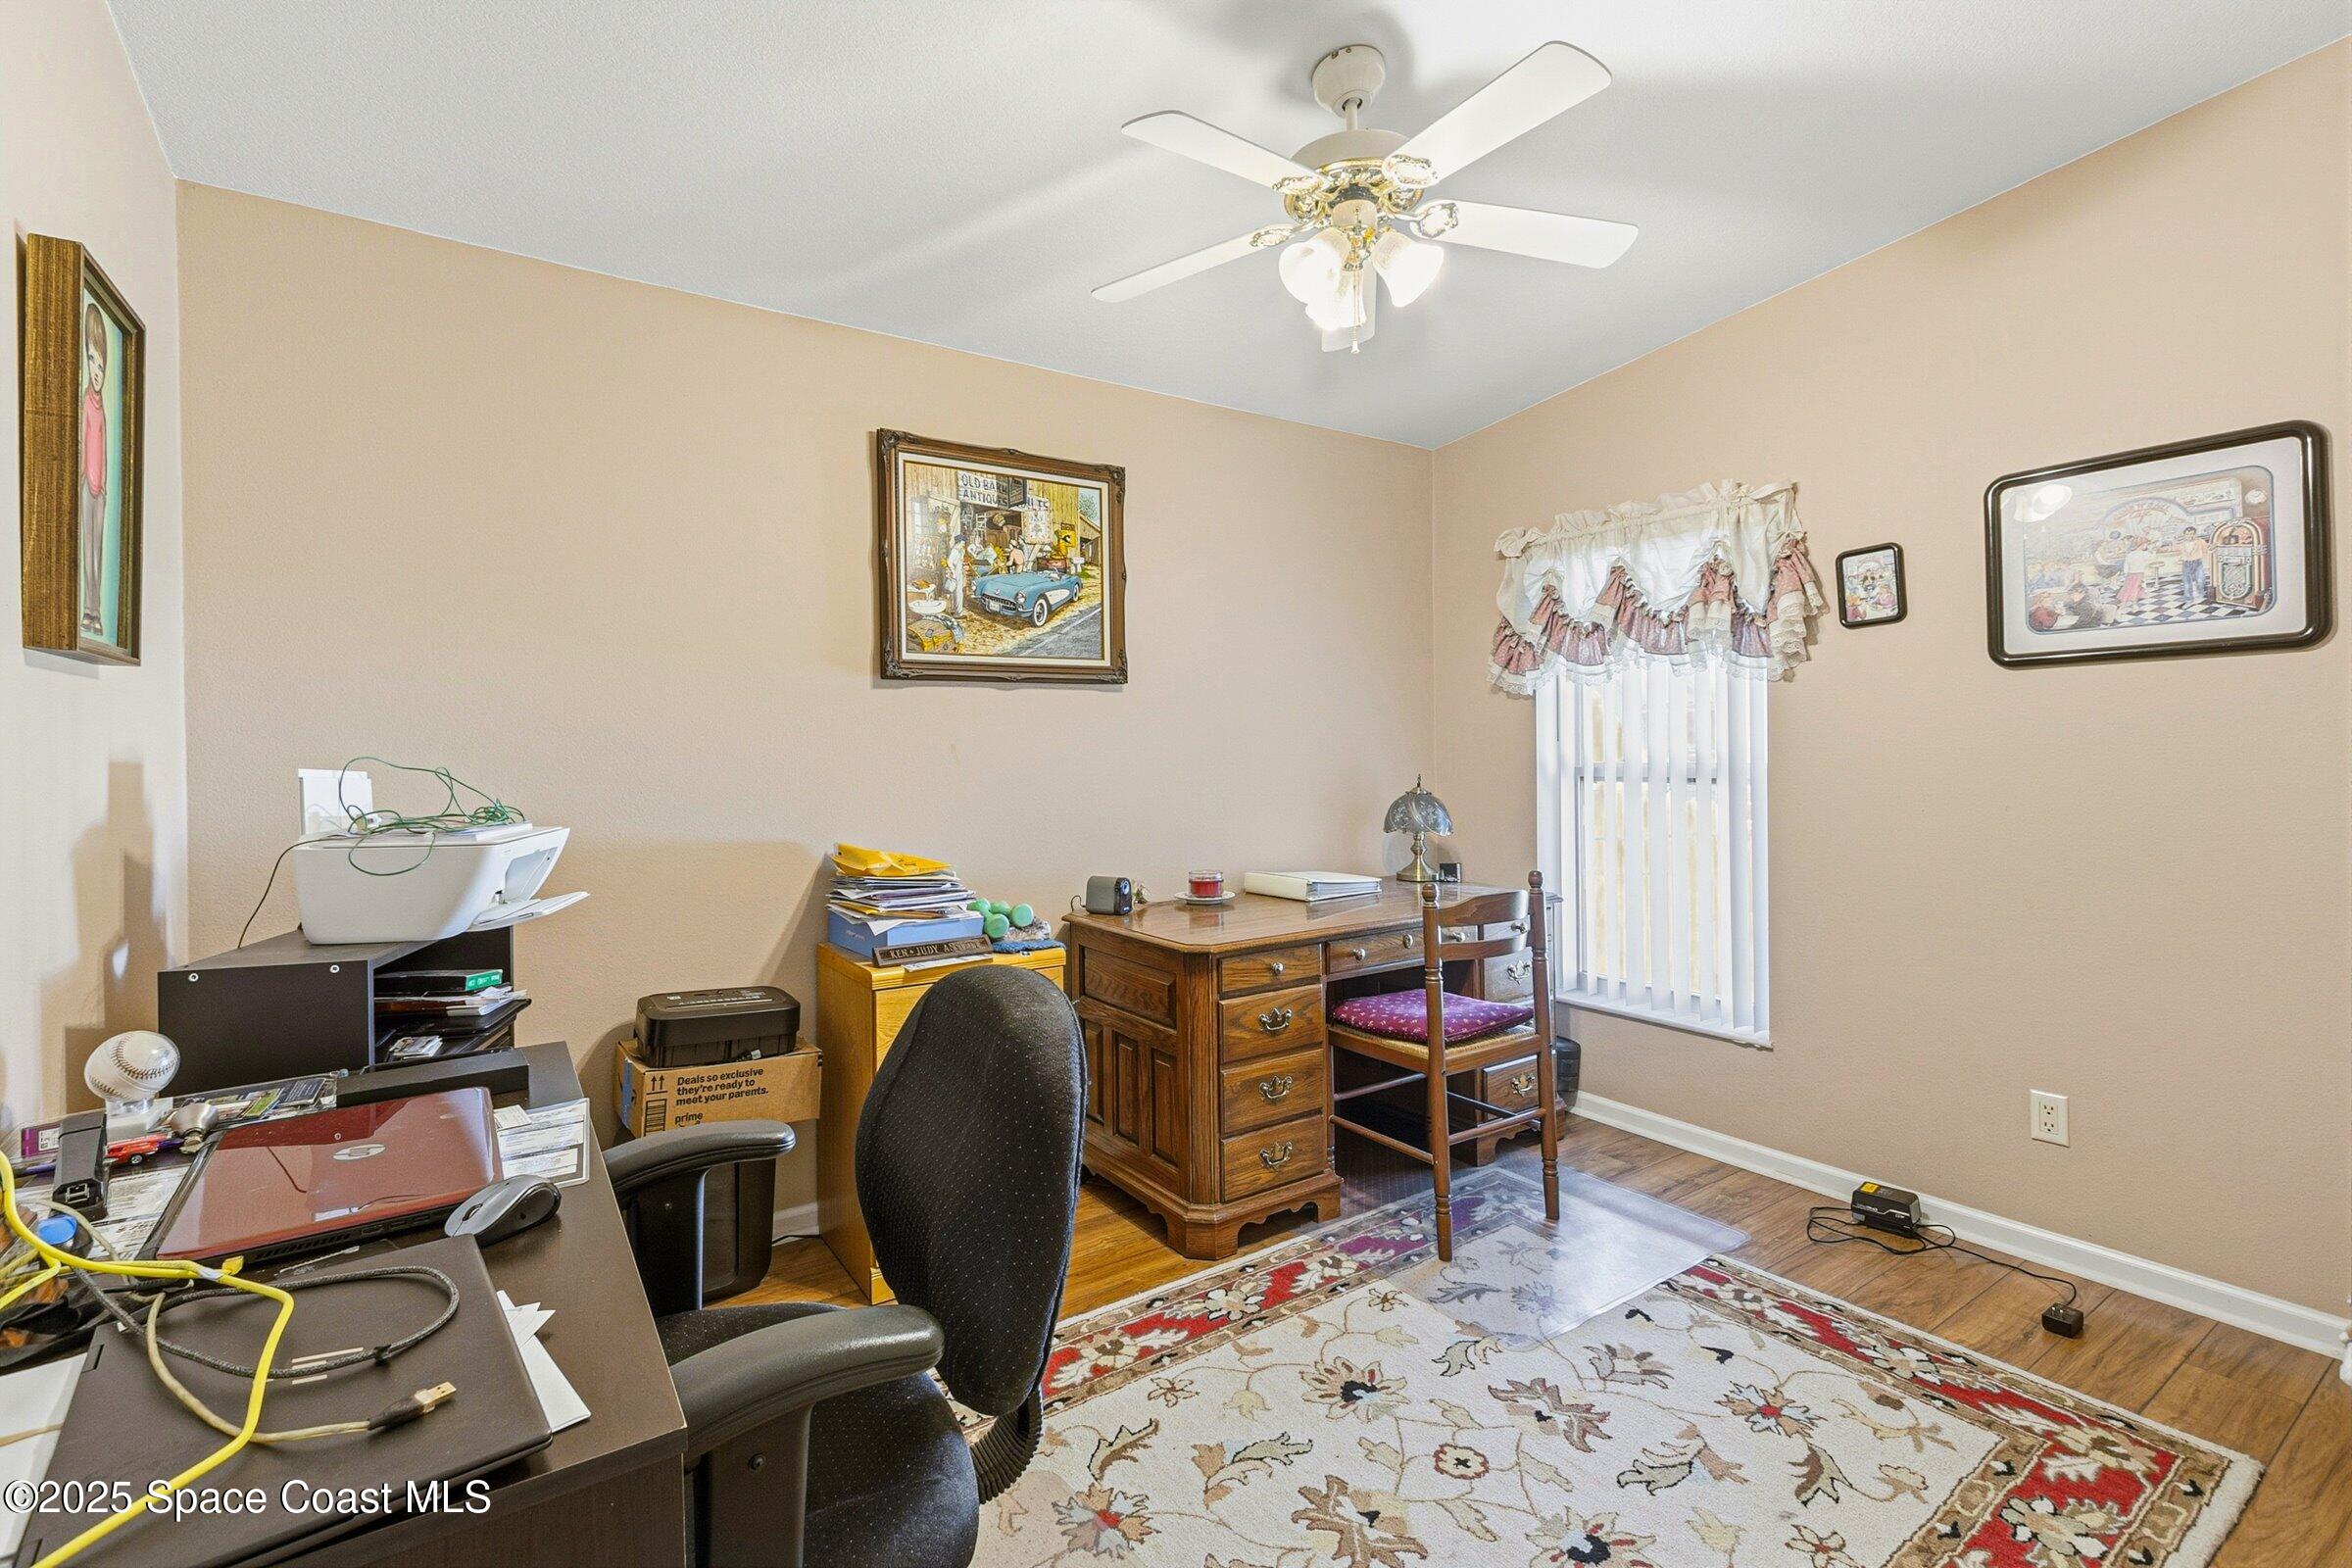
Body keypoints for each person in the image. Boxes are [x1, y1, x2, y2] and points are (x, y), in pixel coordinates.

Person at [78, 303, 109, 636]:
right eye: (91, 360)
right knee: (88, 549)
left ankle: (95, 610)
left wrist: (107, 487)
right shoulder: (85, 401)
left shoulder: (102, 407)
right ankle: (89, 611)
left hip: (101, 491)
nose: (97, 370)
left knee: (98, 550)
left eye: (101, 363)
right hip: (87, 486)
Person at [2176, 525, 2213, 607]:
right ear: (2184, 535)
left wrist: (2211, 547)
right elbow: (2172, 548)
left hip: (2197, 563)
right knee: (2187, 583)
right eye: (2188, 534)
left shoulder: (2200, 541)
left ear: (2195, 534)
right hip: (2186, 564)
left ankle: (2201, 595)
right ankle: (2189, 600)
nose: (2190, 536)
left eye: (2192, 534)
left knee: (2200, 580)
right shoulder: (2181, 543)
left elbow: (2207, 549)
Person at [2118, 536, 2153, 612]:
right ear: (2143, 544)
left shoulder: (2130, 554)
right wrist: (2152, 550)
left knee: (2128, 589)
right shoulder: (2144, 554)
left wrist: (2125, 574)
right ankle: (2133, 605)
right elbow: (2151, 557)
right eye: (2146, 544)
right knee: (2135, 590)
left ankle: (2123, 605)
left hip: (2130, 574)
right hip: (2139, 574)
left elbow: (2126, 566)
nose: (2146, 546)